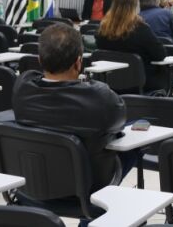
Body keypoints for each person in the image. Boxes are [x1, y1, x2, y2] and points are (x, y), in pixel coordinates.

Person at [12, 24, 132, 197]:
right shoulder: (100, 97)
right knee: (130, 144)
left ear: (40, 60)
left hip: (34, 183)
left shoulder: (22, 88)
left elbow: (31, 75)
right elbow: (119, 121)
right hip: (88, 188)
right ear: (78, 62)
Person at [95, 0, 167, 91]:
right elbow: (160, 55)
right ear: (134, 8)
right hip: (142, 83)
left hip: (109, 83)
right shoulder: (141, 29)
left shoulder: (102, 29)